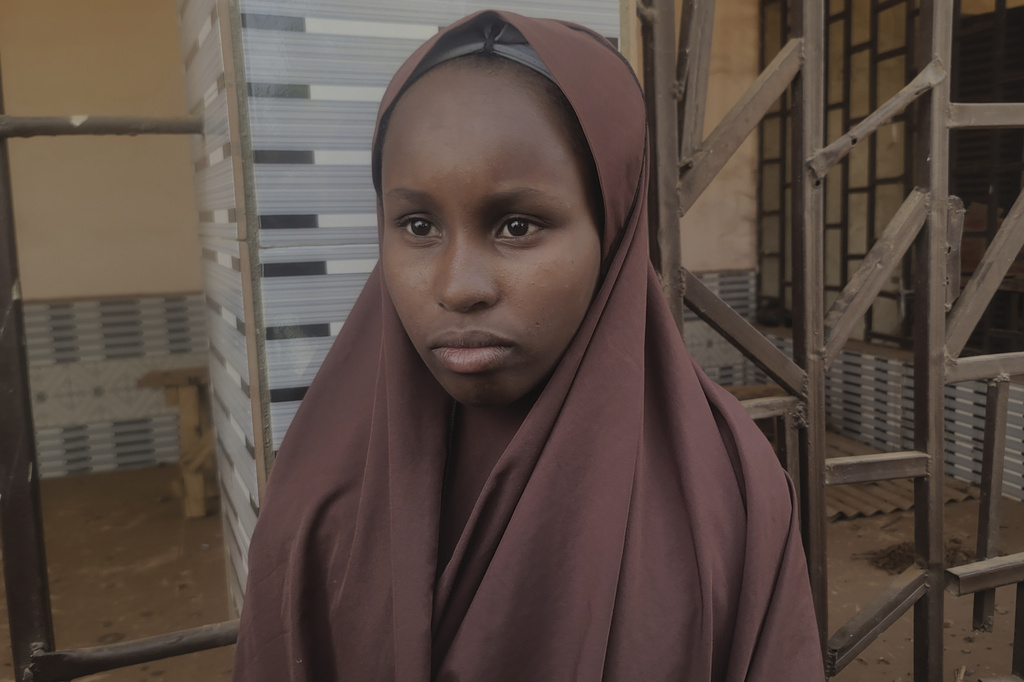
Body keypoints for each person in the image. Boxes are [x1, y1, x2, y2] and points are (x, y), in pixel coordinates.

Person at [231, 10, 824, 681]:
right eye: (418, 225)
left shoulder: (724, 492)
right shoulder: (320, 492)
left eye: (517, 225)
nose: (458, 287)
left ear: (615, 227)